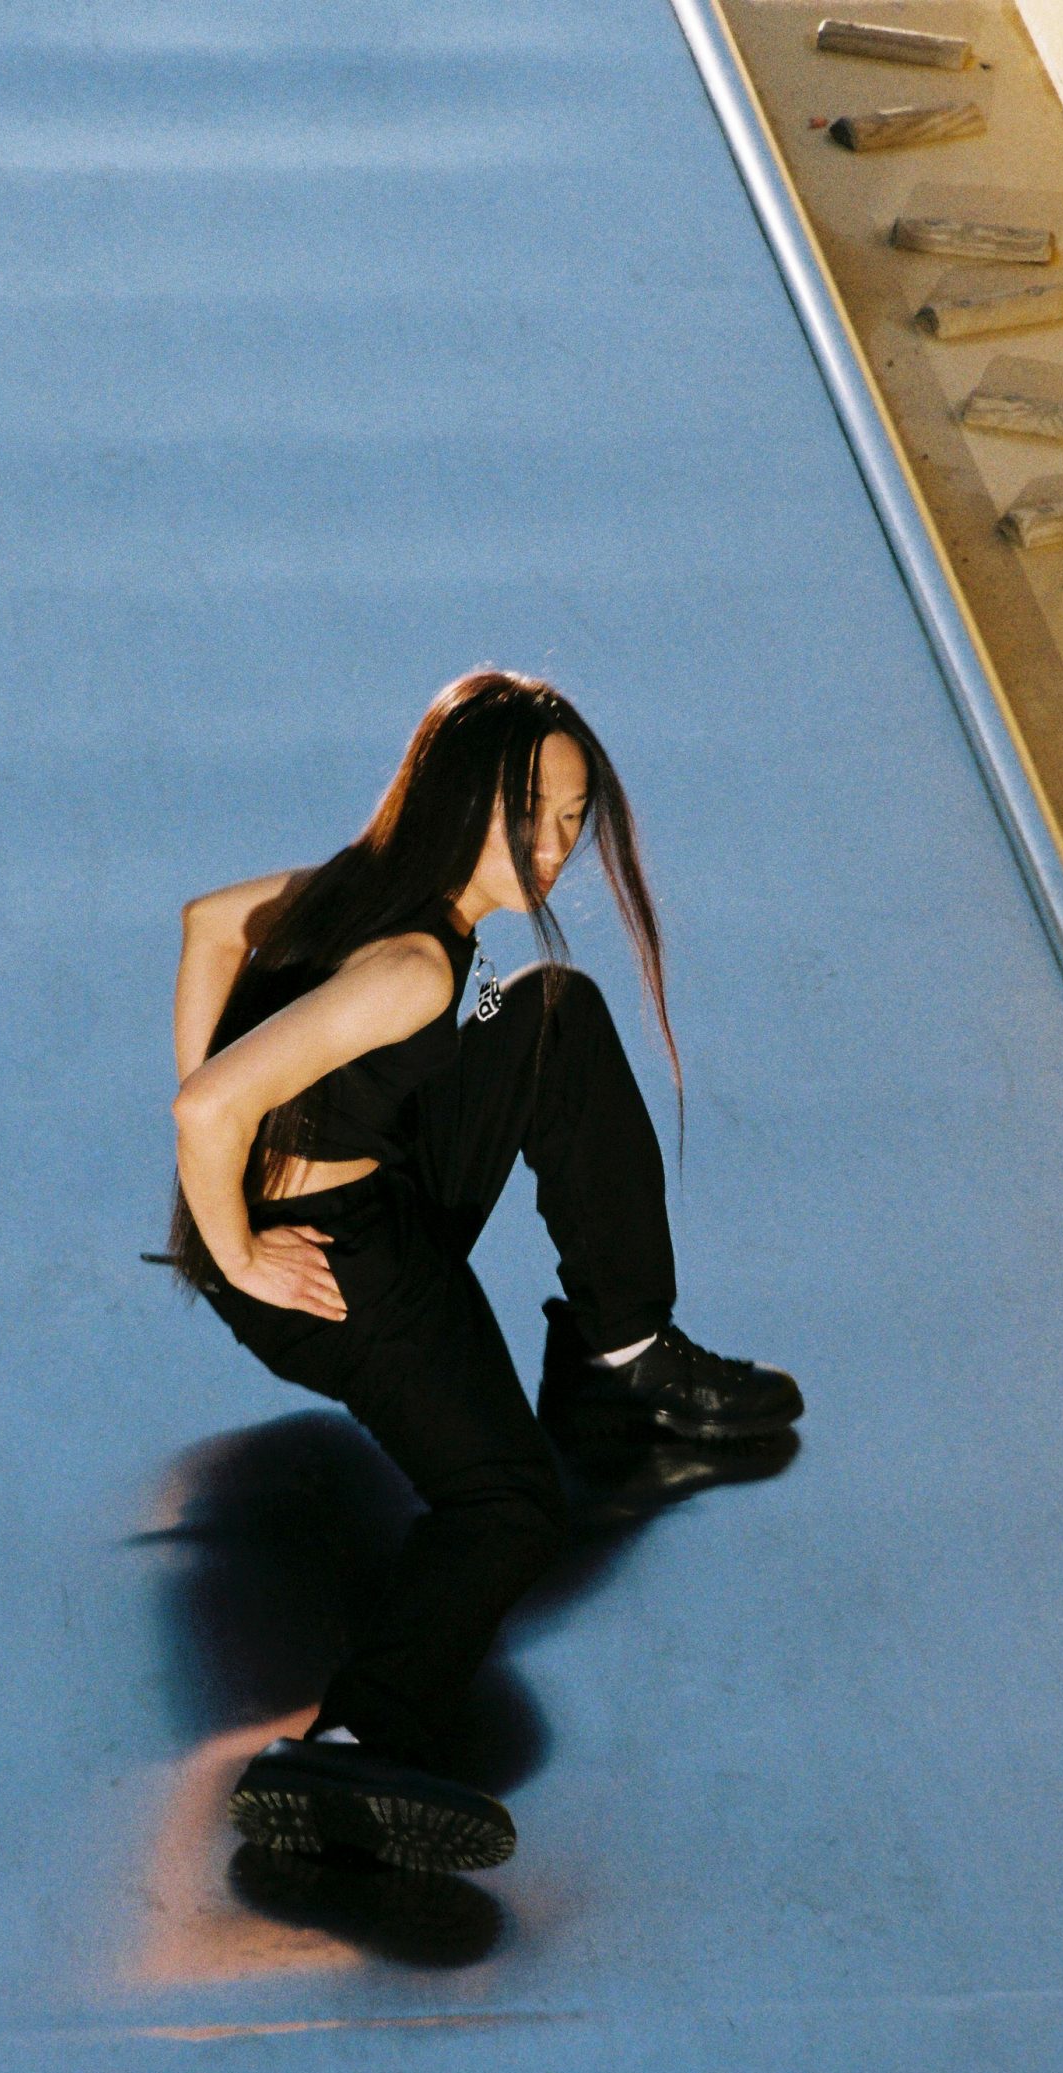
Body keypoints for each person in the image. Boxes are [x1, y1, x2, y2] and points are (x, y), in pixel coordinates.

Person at [165, 669, 801, 1876]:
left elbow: (207, 922)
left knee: (548, 1011)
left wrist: (233, 1160)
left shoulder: (364, 885)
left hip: (369, 1178)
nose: (554, 848)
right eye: (529, 816)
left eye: (571, 818)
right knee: (509, 1504)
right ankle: (349, 1741)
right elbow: (204, 1110)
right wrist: (236, 1244)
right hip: (343, 1265)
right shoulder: (410, 968)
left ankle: (618, 1355)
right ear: (461, 801)